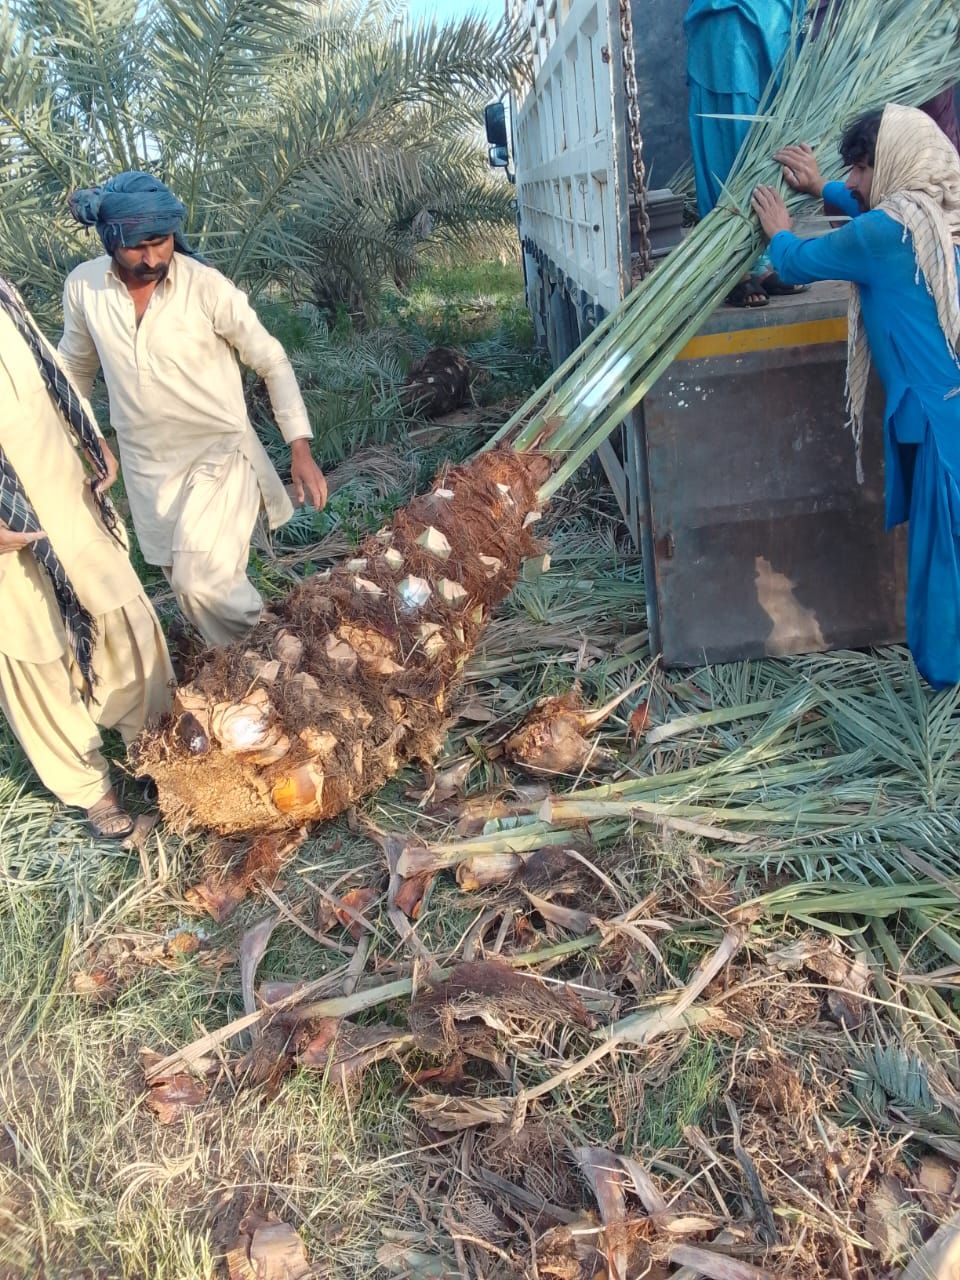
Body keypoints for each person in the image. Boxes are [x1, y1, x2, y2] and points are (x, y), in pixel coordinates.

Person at [58, 171, 328, 649]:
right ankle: (256, 677)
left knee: (199, 581)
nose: (154, 257)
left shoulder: (204, 286)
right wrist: (85, 439)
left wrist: (299, 448)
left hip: (218, 456)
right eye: (139, 247)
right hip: (148, 472)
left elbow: (271, 358)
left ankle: (283, 653)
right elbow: (74, 371)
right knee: (191, 588)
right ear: (110, 240)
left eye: (161, 242)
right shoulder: (84, 288)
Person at [752, 105, 960, 688]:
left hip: (942, 435)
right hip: (950, 411)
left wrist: (777, 229)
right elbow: (871, 217)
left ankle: (944, 693)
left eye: (863, 170)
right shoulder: (940, 213)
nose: (857, 184)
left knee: (943, 571)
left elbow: (796, 261)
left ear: (893, 162)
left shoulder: (885, 234)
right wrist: (822, 188)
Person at [0, 275, 174, 838]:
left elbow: (42, 359)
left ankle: (162, 759)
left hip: (58, 482)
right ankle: (94, 795)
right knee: (32, 649)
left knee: (119, 608)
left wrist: (89, 433)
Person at [685, 0, 807, 306]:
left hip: (778, 17)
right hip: (729, 16)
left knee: (772, 132)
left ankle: (763, 260)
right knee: (730, 136)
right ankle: (731, 263)